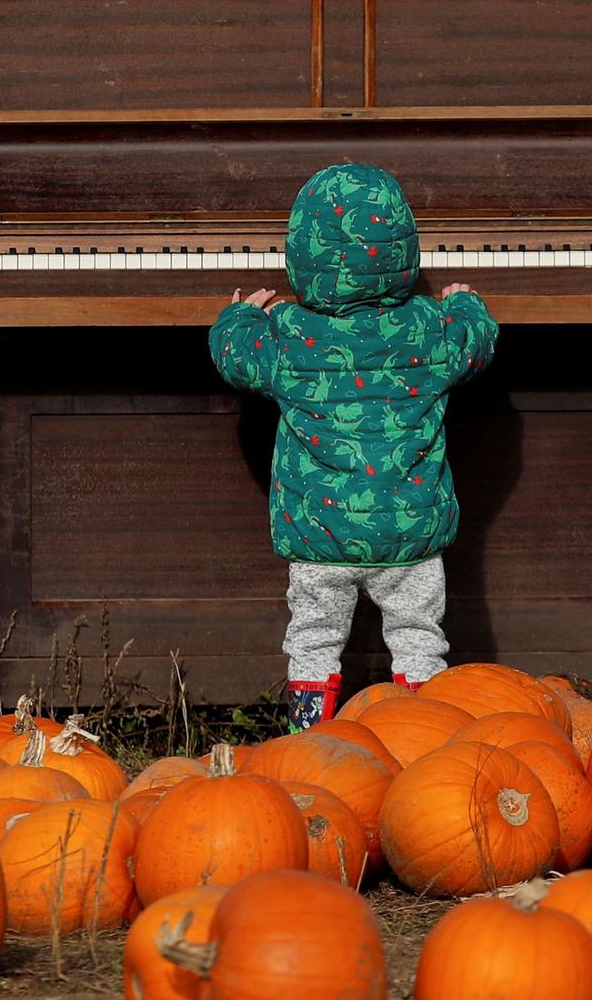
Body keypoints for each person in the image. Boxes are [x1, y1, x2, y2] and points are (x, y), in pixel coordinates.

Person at [208, 162, 499, 730]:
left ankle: (309, 738)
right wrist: (465, 303)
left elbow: (235, 357)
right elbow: (477, 343)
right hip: (409, 535)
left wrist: (238, 317)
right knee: (420, 640)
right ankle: (428, 738)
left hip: (321, 537)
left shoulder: (290, 334)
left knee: (312, 642)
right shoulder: (430, 329)